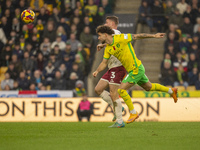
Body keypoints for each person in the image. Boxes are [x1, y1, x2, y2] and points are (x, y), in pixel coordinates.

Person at [93, 25, 178, 127]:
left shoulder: (121, 38)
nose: (98, 38)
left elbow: (137, 36)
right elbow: (103, 63)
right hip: (133, 70)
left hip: (136, 69)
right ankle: (171, 91)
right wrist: (97, 71)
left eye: (99, 35)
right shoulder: (108, 49)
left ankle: (133, 112)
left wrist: (154, 36)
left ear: (105, 35)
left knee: (120, 90)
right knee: (149, 87)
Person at [94, 16, 126, 127]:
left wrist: (102, 44)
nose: (105, 25)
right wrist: (103, 45)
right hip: (111, 67)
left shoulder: (116, 32)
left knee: (113, 93)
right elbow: (111, 43)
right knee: (98, 89)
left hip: (118, 67)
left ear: (112, 24)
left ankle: (120, 121)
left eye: (107, 23)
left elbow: (114, 41)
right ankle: (117, 106)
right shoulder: (111, 36)